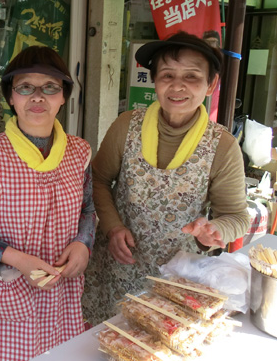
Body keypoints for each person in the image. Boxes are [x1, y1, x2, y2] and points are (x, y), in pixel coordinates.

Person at [82, 31, 250, 325]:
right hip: (113, 265)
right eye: (167, 75)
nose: (177, 86)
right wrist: (112, 226)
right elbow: (97, 180)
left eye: (192, 77)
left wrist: (213, 231)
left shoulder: (221, 145)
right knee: (103, 340)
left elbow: (236, 216)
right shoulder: (127, 126)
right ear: (155, 80)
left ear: (211, 85)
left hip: (174, 276)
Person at [0, 46, 96, 361]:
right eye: (26, 87)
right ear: (12, 98)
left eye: (50, 88)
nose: (38, 97)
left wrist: (83, 243)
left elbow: (87, 209)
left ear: (63, 97)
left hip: (62, 293)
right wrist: (18, 260)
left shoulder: (79, 153)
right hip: (9, 292)